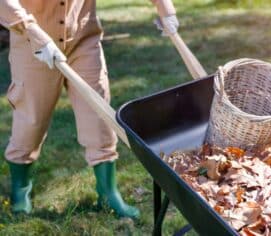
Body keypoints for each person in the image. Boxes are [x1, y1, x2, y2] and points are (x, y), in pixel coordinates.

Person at [0, 0, 179, 219]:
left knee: (99, 117)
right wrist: (30, 29)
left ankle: (108, 193)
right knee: (31, 121)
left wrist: (165, 8)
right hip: (31, 41)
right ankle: (20, 191)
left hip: (83, 39)